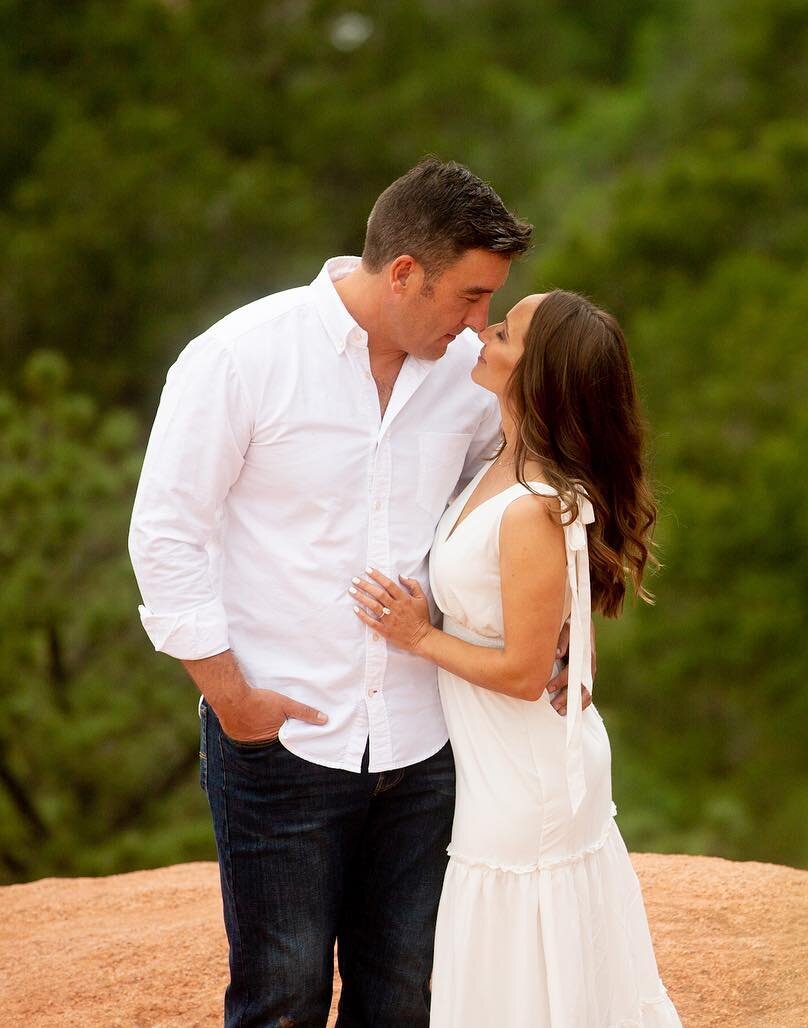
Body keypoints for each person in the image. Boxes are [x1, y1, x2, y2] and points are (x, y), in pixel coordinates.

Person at [129, 157, 555, 1026]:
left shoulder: (470, 378)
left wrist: (544, 641)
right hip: (282, 738)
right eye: (469, 297)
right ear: (404, 272)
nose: (480, 324)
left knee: (402, 999)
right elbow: (166, 533)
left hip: (430, 743)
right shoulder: (241, 357)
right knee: (280, 998)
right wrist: (232, 699)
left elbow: (512, 511)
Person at [350, 290, 681, 1026]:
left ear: (537, 375)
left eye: (502, 332)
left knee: (519, 971)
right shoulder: (501, 459)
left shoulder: (533, 503)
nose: (483, 334)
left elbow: (526, 674)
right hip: (506, 762)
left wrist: (419, 636)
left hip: (523, 777)